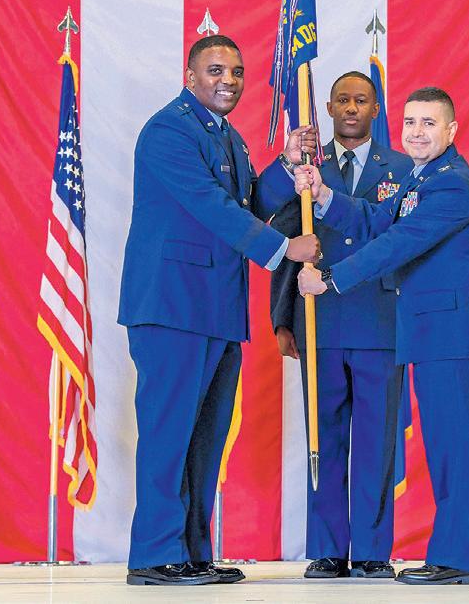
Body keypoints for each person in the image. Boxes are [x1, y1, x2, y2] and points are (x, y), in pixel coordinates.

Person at [118, 34, 320, 586]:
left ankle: (190, 552)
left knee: (204, 437)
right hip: (172, 305)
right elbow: (211, 207)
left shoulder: (225, 135)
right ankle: (155, 555)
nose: (228, 80)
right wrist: (284, 249)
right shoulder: (169, 130)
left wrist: (286, 164)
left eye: (236, 71)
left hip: (215, 308)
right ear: (190, 76)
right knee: (169, 433)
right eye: (215, 70)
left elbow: (248, 201)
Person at [296, 87, 469, 585]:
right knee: (446, 449)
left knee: (457, 450)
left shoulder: (451, 185)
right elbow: (377, 219)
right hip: (436, 337)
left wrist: (331, 279)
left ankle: (460, 561)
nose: (416, 132)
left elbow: (397, 242)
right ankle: (453, 556)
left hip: (455, 338)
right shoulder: (423, 178)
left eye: (429, 123)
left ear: (451, 131)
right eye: (410, 122)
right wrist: (324, 196)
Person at [271, 71, 412, 579]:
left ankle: (372, 551)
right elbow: (289, 244)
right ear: (328, 108)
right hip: (320, 321)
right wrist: (282, 317)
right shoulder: (307, 167)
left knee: (376, 441)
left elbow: (400, 240)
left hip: (379, 319)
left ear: (376, 109)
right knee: (323, 437)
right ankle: (328, 548)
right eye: (343, 100)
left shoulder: (402, 168)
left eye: (362, 100)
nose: (352, 108)